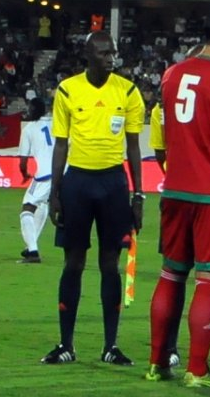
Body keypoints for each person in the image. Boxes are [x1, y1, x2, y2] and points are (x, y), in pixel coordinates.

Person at [144, 10, 210, 388]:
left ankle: (157, 362)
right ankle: (197, 369)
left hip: (175, 188)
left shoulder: (173, 74)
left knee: (170, 273)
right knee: (209, 279)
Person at [40, 32, 145, 366]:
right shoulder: (69, 90)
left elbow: (133, 147)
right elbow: (60, 144)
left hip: (113, 183)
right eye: (103, 53)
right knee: (73, 263)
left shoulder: (128, 91)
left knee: (109, 265)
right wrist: (55, 193)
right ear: (88, 55)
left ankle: (111, 345)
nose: (110, 58)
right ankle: (65, 344)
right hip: (78, 183)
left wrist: (138, 194)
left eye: (112, 52)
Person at [17, 98, 53, 264]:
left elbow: (23, 160)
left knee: (27, 208)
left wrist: (24, 173)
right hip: (64, 172)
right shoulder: (57, 123)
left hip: (44, 174)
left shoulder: (29, 129)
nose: (28, 111)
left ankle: (33, 251)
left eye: (30, 108)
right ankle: (32, 245)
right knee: (43, 204)